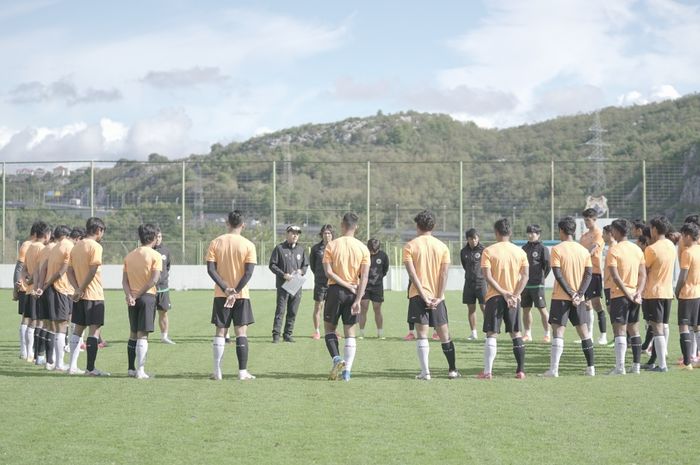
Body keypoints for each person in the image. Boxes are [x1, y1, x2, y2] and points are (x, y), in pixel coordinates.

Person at [404, 210, 458, 380]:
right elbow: (443, 274)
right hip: (437, 297)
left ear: (417, 226)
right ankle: (452, 370)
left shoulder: (410, 246)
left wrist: (424, 296)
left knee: (422, 335)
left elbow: (413, 276)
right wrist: (439, 295)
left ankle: (425, 372)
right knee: (444, 335)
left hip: (418, 296)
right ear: (433, 226)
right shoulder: (442, 247)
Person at [206, 210, 256, 381]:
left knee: (221, 331)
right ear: (243, 225)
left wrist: (226, 289)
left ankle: (217, 371)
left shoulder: (216, 242)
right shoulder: (248, 245)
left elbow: (211, 269)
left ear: (227, 223)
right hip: (241, 295)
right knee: (241, 332)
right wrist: (235, 290)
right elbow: (248, 273)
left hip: (221, 294)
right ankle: (242, 372)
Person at [543, 217, 595, 377]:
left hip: (561, 297)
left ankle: (554, 370)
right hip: (578, 298)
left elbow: (558, 274)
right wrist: (579, 294)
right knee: (584, 333)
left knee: (558, 332)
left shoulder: (557, 249)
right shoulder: (583, 250)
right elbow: (589, 274)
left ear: (562, 231)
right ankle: (591, 368)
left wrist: (572, 293)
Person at [321, 212, 370, 382]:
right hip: (353, 293)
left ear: (342, 225)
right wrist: (358, 299)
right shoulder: (363, 248)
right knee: (350, 332)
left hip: (335, 291)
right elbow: (364, 277)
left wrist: (344, 284)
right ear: (356, 227)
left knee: (329, 329)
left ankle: (336, 358)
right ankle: (347, 372)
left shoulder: (332, 246)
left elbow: (328, 272)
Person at [479, 218, 529, 379]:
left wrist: (502, 292)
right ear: (510, 233)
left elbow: (487, 276)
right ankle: (520, 371)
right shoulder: (520, 252)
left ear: (496, 232)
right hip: (514, 298)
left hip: (495, 297)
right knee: (516, 333)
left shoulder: (488, 251)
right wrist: (514, 294)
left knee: (492, 333)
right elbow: (525, 276)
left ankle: (488, 372)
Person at [66, 217, 109, 376]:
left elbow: (69, 271)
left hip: (80, 295)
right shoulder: (95, 246)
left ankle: (72, 366)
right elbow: (93, 270)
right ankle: (90, 369)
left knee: (77, 329)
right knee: (94, 332)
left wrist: (77, 289)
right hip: (93, 294)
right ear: (98, 230)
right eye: (102, 232)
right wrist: (82, 288)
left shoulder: (76, 246)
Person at [606, 218, 646, 375]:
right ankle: (636, 366)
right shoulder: (637, 249)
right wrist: (638, 292)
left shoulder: (614, 250)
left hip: (620, 295)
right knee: (634, 330)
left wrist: (627, 293)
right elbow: (643, 275)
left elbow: (615, 277)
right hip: (635, 296)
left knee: (620, 331)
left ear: (616, 231)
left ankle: (620, 367)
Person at [123, 224, 163, 379]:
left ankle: (131, 369)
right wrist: (138, 294)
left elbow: (124, 281)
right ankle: (140, 371)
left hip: (132, 298)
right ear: (153, 238)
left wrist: (130, 295)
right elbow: (154, 279)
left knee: (133, 333)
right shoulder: (155, 256)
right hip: (146, 297)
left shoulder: (130, 255)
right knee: (143, 334)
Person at [640, 216, 675, 372]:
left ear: (654, 229)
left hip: (653, 292)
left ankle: (662, 365)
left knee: (656, 328)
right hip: (667, 292)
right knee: (661, 327)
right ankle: (658, 360)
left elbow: (644, 270)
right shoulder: (671, 245)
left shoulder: (651, 249)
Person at [39, 225, 74, 372]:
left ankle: (50, 361)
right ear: (67, 235)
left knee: (52, 327)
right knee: (61, 327)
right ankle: (59, 364)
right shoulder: (68, 246)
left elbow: (43, 268)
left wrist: (43, 285)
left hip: (51, 290)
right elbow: (63, 270)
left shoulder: (53, 248)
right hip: (60, 289)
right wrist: (47, 284)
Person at [269, 225, 308, 343]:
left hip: (296, 286)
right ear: (287, 234)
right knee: (280, 310)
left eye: (297, 233)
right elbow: (272, 265)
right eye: (293, 233)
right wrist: (283, 275)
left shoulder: (301, 249)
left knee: (293, 311)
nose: (295, 235)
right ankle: (276, 335)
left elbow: (305, 265)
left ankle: (288, 334)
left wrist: (301, 271)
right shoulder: (279, 248)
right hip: (283, 285)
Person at [21, 222, 51, 364]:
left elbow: (24, 269)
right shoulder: (42, 249)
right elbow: (39, 270)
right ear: (46, 234)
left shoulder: (30, 247)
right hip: (36, 289)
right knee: (37, 323)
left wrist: (26, 280)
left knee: (29, 321)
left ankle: (27, 352)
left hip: (28, 290)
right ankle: (35, 354)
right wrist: (33, 280)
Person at [579, 208, 607, 345]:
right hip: (583, 272)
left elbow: (593, 249)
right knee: (585, 303)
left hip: (594, 272)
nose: (586, 222)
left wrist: (581, 257)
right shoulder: (584, 235)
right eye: (584, 220)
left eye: (588, 220)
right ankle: (588, 334)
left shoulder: (598, 234)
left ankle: (603, 335)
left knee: (596, 303)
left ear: (595, 219)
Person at [675, 222, 700, 370]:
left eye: (683, 236)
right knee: (697, 326)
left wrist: (677, 292)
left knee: (683, 327)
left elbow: (682, 277)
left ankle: (687, 363)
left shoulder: (688, 252)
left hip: (688, 294)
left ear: (688, 236)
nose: (681, 239)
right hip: (698, 292)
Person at [521, 224, 551, 343]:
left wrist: (541, 278)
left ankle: (547, 334)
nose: (530, 235)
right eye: (528, 232)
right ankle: (527, 334)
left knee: (542, 309)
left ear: (538, 235)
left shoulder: (543, 248)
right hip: (525, 285)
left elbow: (547, 266)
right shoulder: (524, 248)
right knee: (525, 310)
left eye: (532, 233)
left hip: (537, 285)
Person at [34, 229, 59, 369]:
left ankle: (40, 356)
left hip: (41, 288)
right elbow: (46, 270)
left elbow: (38, 270)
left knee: (44, 324)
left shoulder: (43, 249)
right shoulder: (54, 249)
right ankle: (51, 360)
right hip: (51, 289)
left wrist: (37, 287)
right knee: (54, 326)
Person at [14, 222, 38, 360]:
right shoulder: (28, 245)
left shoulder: (29, 245)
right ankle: (25, 351)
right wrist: (17, 286)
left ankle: (26, 351)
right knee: (28, 319)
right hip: (27, 287)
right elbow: (20, 267)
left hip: (28, 286)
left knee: (27, 319)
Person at [359, 238, 389, 339]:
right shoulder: (363, 254)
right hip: (365, 286)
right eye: (371, 250)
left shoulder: (383, 256)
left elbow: (385, 270)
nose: (372, 252)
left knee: (377, 309)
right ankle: (361, 333)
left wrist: (378, 278)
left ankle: (380, 333)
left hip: (377, 286)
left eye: (374, 251)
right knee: (364, 308)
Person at [460, 228, 486, 341]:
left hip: (481, 283)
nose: (474, 241)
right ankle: (473, 333)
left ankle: (487, 333)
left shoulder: (483, 250)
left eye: (475, 238)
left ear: (478, 238)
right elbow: (464, 265)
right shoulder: (463, 251)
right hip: (469, 284)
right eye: (471, 239)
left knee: (484, 308)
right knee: (471, 309)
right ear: (468, 239)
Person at [309, 224, 334, 340]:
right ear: (321, 234)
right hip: (320, 282)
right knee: (319, 306)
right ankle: (317, 331)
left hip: (334, 282)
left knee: (333, 307)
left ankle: (332, 331)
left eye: (329, 233)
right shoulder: (315, 249)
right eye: (325, 233)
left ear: (332, 235)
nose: (327, 235)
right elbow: (313, 266)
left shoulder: (337, 247)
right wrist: (320, 275)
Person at [153, 229, 175, 344]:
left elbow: (167, 267)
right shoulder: (147, 250)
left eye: (160, 237)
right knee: (149, 313)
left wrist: (163, 279)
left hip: (163, 288)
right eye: (156, 237)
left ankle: (164, 337)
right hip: (150, 288)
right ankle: (142, 336)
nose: (158, 239)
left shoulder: (166, 251)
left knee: (163, 312)